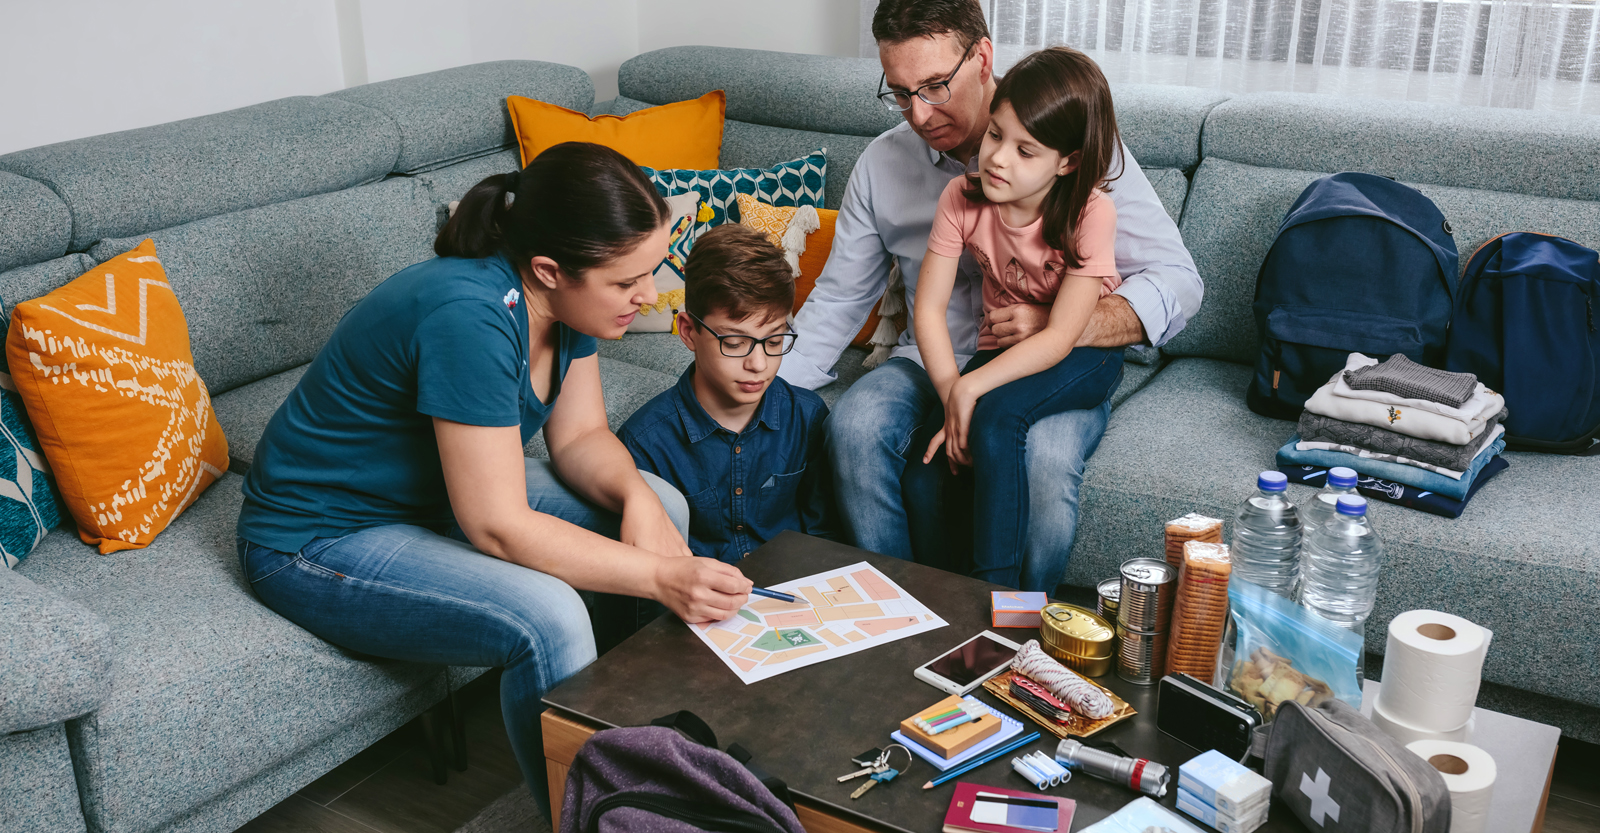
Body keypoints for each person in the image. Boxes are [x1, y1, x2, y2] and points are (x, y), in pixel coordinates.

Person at [235, 142, 753, 807]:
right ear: (549, 269)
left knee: (661, 501)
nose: (649, 296)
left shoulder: (568, 304)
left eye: (649, 272)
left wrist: (635, 498)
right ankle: (584, 814)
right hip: (315, 537)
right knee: (549, 616)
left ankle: (648, 742)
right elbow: (499, 525)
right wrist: (661, 575)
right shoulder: (470, 317)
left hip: (425, 497)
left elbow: (582, 437)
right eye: (628, 283)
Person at [779, 0, 1203, 592]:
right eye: (900, 93)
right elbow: (838, 302)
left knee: (1043, 462)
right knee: (853, 427)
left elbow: (1179, 282)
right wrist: (753, 387)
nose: (920, 114)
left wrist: (1060, 323)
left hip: (1049, 361)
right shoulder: (884, 165)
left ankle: (1016, 633)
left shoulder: (1072, 147)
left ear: (982, 58)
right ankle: (906, 616)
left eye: (934, 86)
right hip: (933, 358)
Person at [916, 47, 1126, 589]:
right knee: (936, 458)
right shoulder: (961, 198)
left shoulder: (1090, 212)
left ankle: (1000, 606)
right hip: (1003, 348)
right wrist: (950, 394)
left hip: (1082, 354)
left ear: (1068, 161)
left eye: (1025, 150)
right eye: (995, 136)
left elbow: (1060, 337)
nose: (998, 159)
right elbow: (929, 310)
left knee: (997, 418)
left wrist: (973, 392)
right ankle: (946, 596)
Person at [619, 224, 837, 563]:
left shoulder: (807, 417)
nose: (759, 364)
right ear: (689, 332)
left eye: (775, 341)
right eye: (735, 343)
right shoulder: (644, 443)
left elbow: (824, 536)